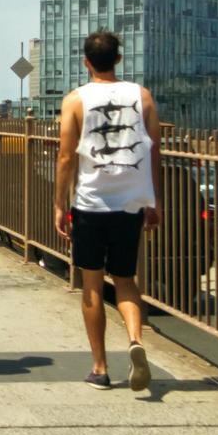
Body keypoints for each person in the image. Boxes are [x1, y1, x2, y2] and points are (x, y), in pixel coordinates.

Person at [54, 30, 160, 392]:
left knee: (92, 285)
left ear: (86, 62)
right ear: (118, 59)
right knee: (127, 281)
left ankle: (100, 367)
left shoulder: (75, 101)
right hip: (130, 203)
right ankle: (135, 341)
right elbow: (153, 151)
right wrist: (153, 201)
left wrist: (59, 203)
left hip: (90, 204)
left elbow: (67, 157)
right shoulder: (141, 96)